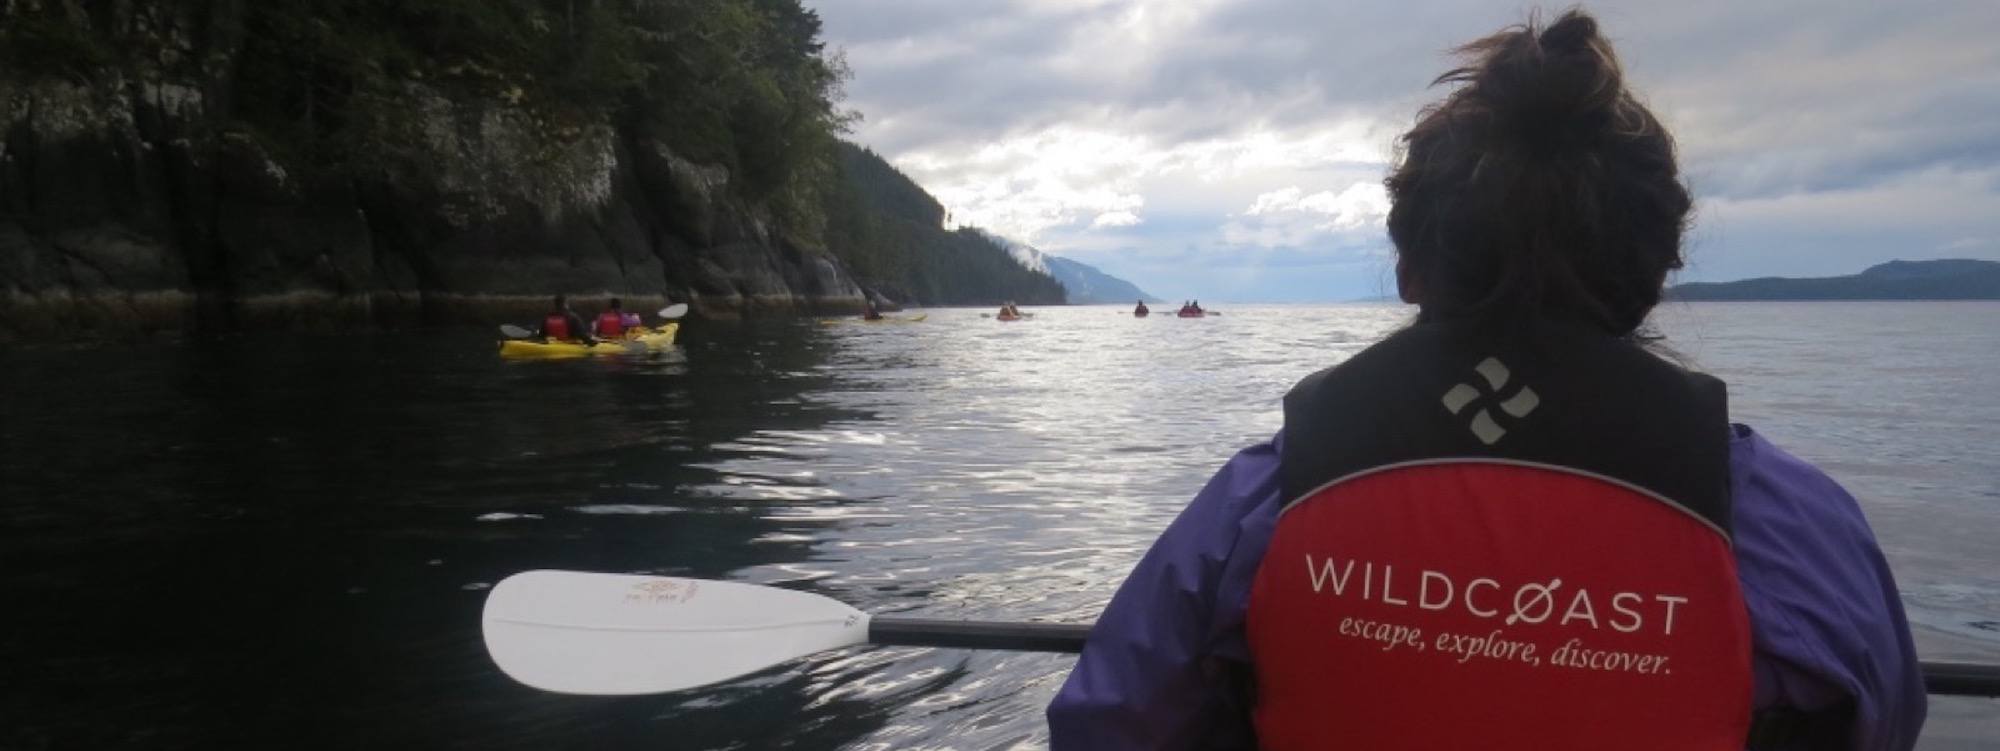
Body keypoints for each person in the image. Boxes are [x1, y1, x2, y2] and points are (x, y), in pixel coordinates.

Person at [1046, 11, 1924, 751]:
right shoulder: (1786, 525)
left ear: (1408, 268)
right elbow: (1886, 716)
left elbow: (1107, 720)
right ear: (1655, 270)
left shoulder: (1263, 501)